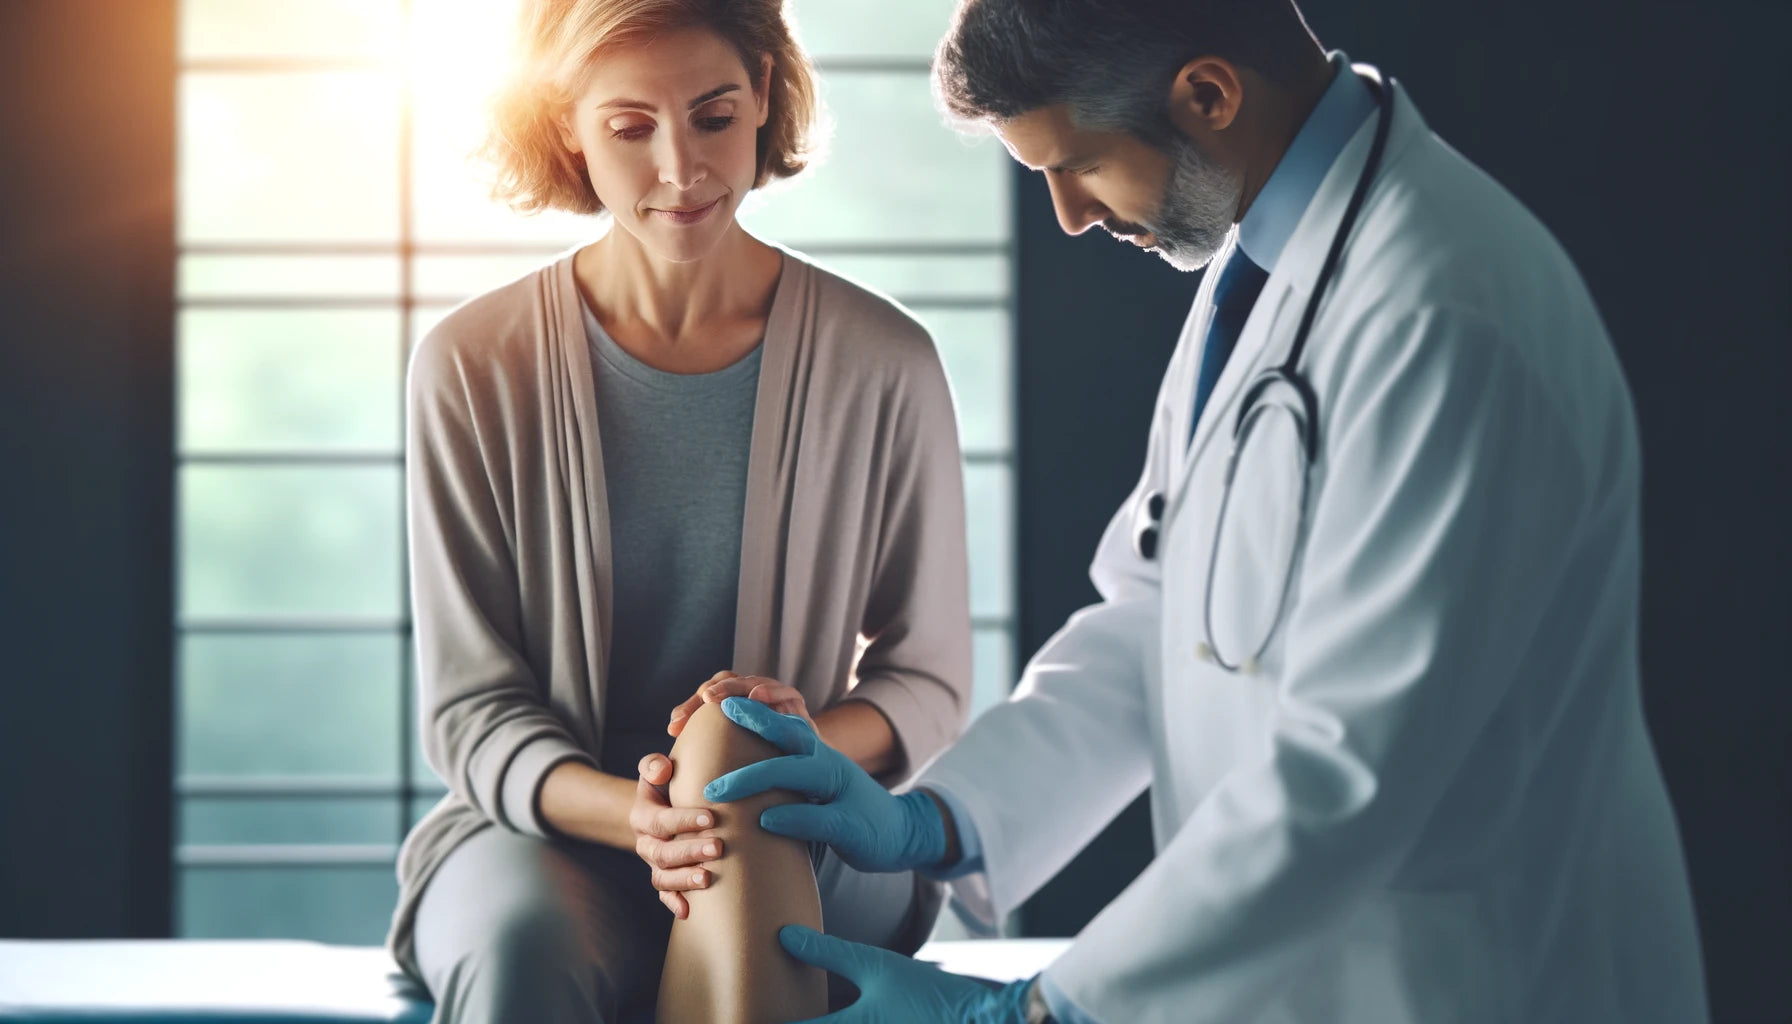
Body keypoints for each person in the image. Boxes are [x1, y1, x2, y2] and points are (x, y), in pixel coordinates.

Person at [697, 1, 1711, 1021]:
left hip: (1477, 975)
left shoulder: (1441, 310)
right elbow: (1160, 623)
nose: (1068, 215)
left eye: (1077, 165)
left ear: (1208, 94)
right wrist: (939, 818)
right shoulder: (1263, 263)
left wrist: (1039, 1010)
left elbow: (1348, 769)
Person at [383, 1, 975, 1020]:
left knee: (734, 758)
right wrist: (645, 816)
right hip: (541, 835)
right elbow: (470, 712)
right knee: (527, 957)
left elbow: (926, 680)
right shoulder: (470, 366)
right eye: (629, 129)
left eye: (714, 116)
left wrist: (752, 766)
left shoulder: (885, 360)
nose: (682, 169)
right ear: (566, 124)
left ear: (764, 101)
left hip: (805, 820)